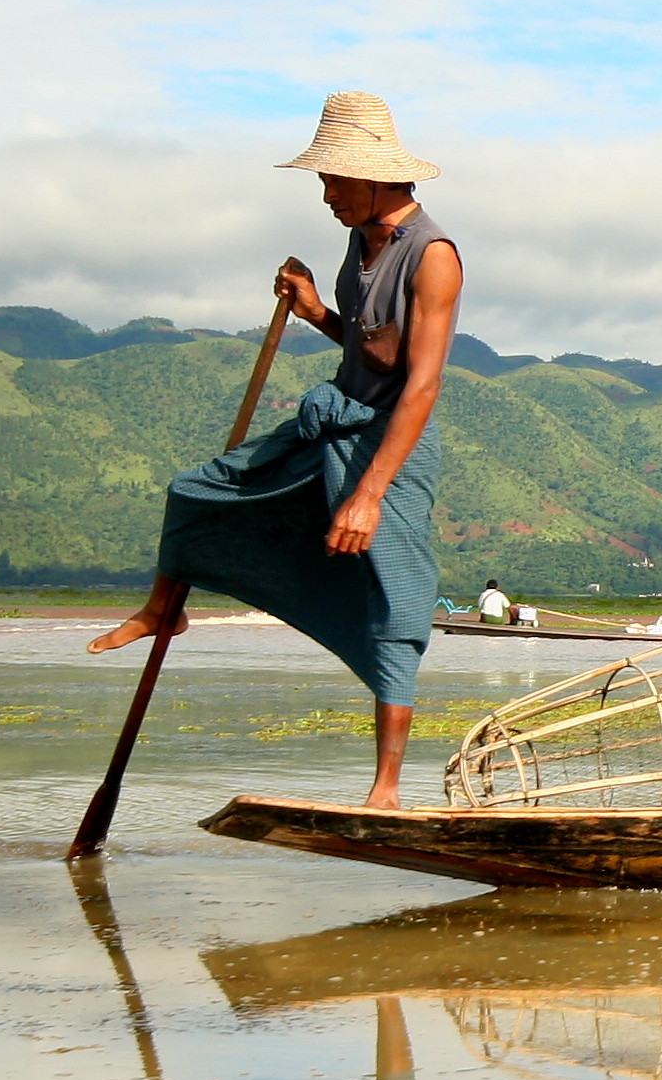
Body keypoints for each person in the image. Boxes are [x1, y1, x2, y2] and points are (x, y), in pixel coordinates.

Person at [91, 92, 461, 807]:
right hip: (331, 424)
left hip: (390, 448)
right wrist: (316, 308)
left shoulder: (433, 257)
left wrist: (368, 496)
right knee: (198, 491)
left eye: (333, 180)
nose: (324, 195)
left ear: (376, 177)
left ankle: (385, 789)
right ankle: (165, 608)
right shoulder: (362, 241)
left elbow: (418, 387)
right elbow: (369, 350)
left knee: (397, 600)